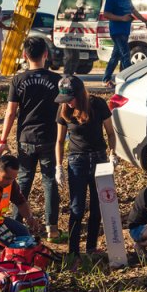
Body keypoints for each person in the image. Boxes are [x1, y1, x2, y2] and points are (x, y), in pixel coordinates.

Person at [0, 37, 63, 241]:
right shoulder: (56, 80)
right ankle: (52, 228)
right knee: (49, 181)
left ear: (25, 56)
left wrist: (3, 139)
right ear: (46, 55)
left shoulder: (18, 80)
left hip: (26, 138)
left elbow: (10, 113)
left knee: (23, 181)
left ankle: (17, 224)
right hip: (50, 138)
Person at [54, 75, 118, 256]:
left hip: (99, 158)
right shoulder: (63, 109)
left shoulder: (97, 104)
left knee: (98, 206)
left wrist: (113, 154)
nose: (69, 103)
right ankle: (73, 251)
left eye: (71, 99)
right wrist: (58, 166)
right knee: (77, 207)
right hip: (77, 161)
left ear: (80, 95)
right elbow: (59, 141)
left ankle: (91, 247)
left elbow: (111, 133)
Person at [101, 0, 147, 88]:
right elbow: (106, 14)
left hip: (125, 31)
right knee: (126, 55)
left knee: (115, 57)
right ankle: (130, 80)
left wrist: (145, 21)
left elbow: (133, 10)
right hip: (117, 31)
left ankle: (106, 79)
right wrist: (121, 18)